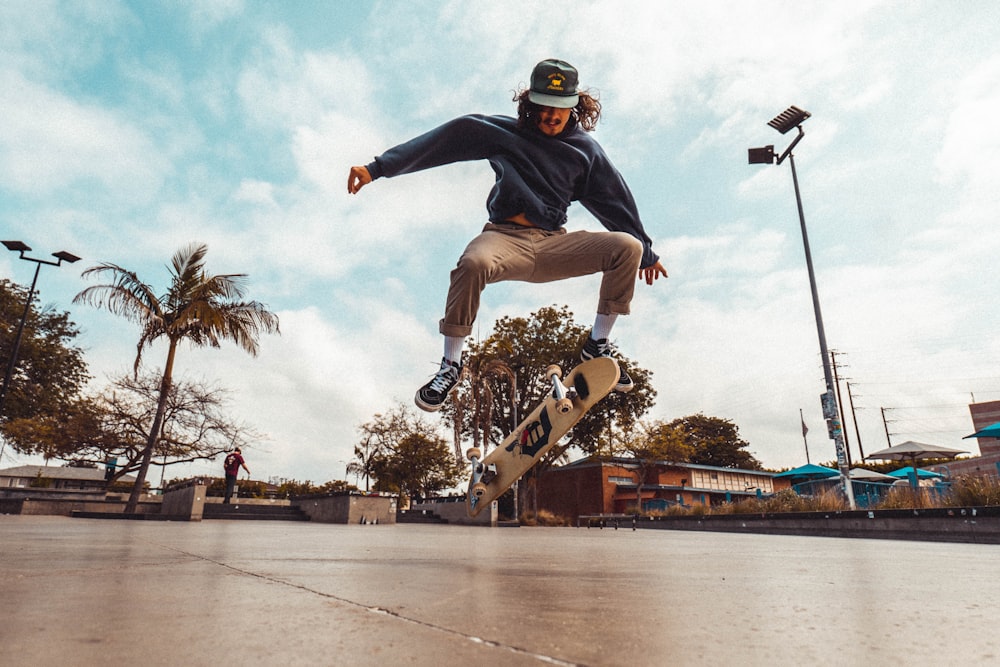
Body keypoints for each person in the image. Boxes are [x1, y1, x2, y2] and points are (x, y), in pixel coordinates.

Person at [348, 58, 668, 412]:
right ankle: (450, 365)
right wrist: (377, 168)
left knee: (627, 246)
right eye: (544, 108)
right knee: (473, 263)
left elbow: (615, 200)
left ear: (575, 106)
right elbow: (443, 141)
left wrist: (648, 253)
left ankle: (597, 343)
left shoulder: (586, 152)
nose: (551, 116)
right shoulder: (502, 133)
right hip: (504, 239)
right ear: (530, 104)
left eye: (560, 109)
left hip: (553, 245)